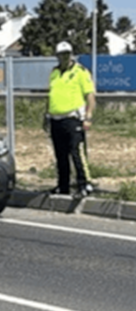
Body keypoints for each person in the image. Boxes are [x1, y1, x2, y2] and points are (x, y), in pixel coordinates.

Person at [44, 41, 96, 197]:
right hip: (56, 119)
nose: (64, 57)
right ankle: (63, 186)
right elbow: (50, 95)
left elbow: (90, 95)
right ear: (57, 56)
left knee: (76, 152)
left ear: (71, 54)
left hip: (73, 118)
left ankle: (84, 184)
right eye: (61, 54)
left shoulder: (80, 71)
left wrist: (88, 117)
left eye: (67, 54)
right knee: (60, 155)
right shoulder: (54, 72)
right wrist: (46, 115)